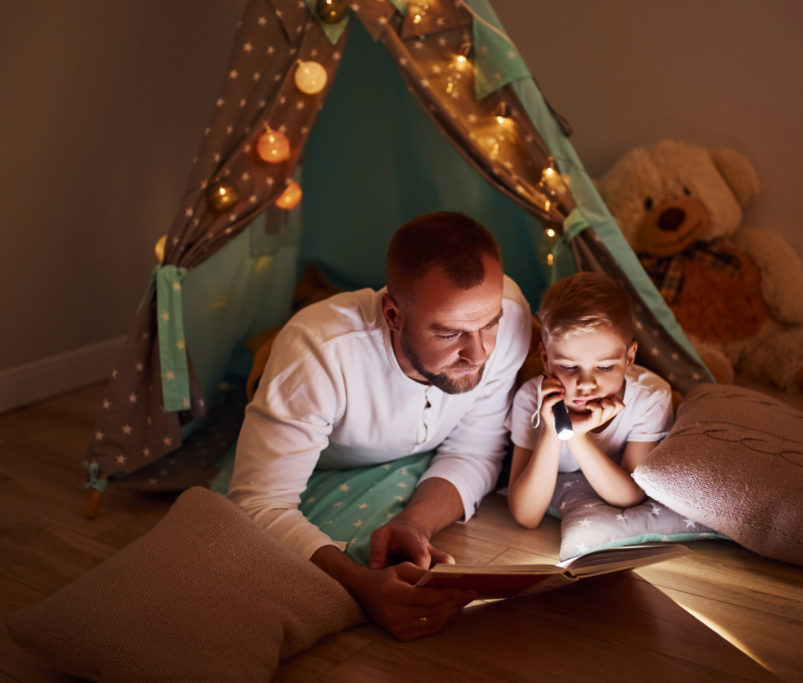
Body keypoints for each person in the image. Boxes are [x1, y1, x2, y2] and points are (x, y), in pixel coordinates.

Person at [228, 211, 532, 640]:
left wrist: (414, 524)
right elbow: (257, 503)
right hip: (313, 427)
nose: (479, 354)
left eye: (490, 323)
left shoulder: (513, 314)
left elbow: (476, 450)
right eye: (449, 334)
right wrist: (360, 585)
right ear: (392, 314)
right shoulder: (319, 352)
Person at [506, 271, 674, 529]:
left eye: (605, 367)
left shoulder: (649, 398)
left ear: (629, 359)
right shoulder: (531, 399)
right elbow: (526, 515)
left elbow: (629, 496)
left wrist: (575, 437)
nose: (586, 384)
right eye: (569, 367)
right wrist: (554, 431)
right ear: (546, 359)